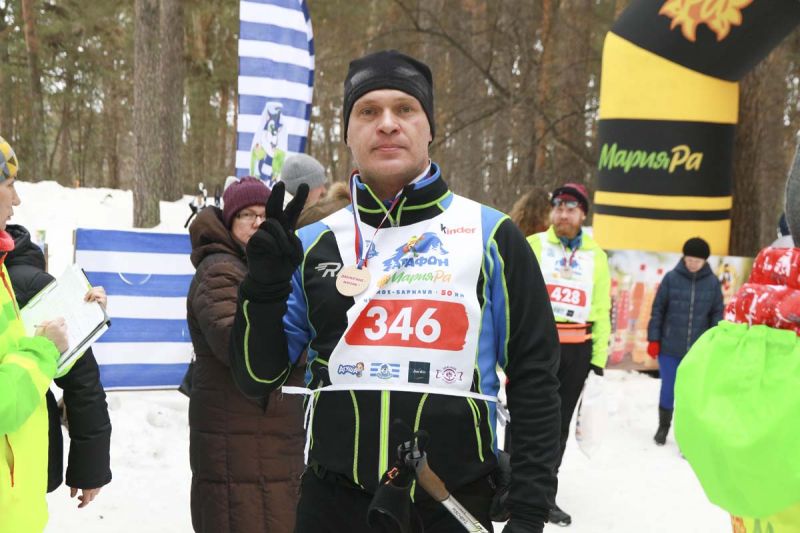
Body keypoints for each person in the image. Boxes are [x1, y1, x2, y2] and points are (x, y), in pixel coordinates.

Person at [230, 50, 561, 533]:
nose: (387, 124)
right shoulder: (312, 243)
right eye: (368, 111)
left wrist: (530, 510)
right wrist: (262, 290)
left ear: (430, 129)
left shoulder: (492, 235)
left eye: (405, 108)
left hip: (449, 502)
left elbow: (536, 378)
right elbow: (257, 378)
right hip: (334, 505)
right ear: (348, 133)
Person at [186, 176, 305, 533]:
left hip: (267, 427)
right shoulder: (220, 269)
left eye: (263, 215)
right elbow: (235, 345)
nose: (256, 223)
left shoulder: (261, 268)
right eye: (246, 215)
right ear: (229, 221)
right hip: (236, 428)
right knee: (242, 514)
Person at [5, 223, 112, 507]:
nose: (15, 204)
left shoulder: (26, 282)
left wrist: (89, 468)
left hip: (25, 457)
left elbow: (82, 381)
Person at [527, 183, 611, 527]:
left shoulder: (596, 256)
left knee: (557, 424)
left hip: (577, 349)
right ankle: (509, 488)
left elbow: (602, 309)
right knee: (523, 416)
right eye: (558, 208)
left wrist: (598, 360)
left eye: (571, 209)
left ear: (583, 215)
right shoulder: (534, 245)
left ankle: (544, 496)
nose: (563, 214)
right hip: (536, 346)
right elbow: (515, 297)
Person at [0, 135, 69, 532]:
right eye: (9, 185)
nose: (17, 200)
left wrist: (67, 327)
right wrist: (44, 349)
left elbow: (12, 352)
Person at [646, 237, 723, 446]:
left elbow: (717, 314)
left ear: (704, 261)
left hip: (697, 351)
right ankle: (663, 427)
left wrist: (714, 342)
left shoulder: (712, 283)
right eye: (689, 260)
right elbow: (658, 310)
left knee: (690, 394)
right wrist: (654, 339)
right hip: (669, 347)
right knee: (668, 388)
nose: (692, 264)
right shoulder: (671, 278)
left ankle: (686, 435)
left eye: (696, 261)